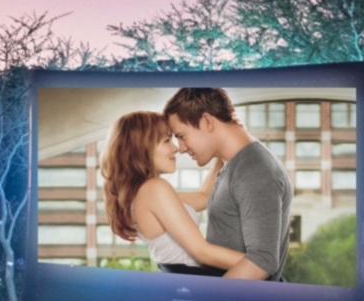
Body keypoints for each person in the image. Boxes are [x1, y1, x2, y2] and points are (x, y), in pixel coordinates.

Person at [100, 108, 272, 276]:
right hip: (198, 277)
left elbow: (203, 197)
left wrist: (222, 146)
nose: (176, 148)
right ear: (141, 148)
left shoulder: (140, 196)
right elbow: (202, 252)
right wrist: (263, 262)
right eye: (167, 140)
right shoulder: (154, 189)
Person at [161, 86, 293, 279]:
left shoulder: (255, 169)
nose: (180, 148)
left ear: (207, 121)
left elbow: (262, 261)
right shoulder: (234, 162)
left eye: (181, 136)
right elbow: (202, 196)